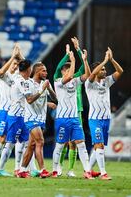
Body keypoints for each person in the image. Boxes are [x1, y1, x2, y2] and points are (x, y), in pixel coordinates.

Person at [51, 45, 93, 179]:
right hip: (62, 118)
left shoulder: (75, 82)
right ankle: (55, 170)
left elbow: (87, 75)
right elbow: (68, 77)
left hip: (74, 118)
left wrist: (84, 60)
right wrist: (71, 58)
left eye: (70, 69)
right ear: (63, 71)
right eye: (67, 69)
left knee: (81, 143)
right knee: (60, 145)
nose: (70, 72)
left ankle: (87, 171)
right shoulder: (58, 82)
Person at [86, 47, 123, 180]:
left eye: (104, 69)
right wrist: (104, 60)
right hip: (94, 119)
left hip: (106, 119)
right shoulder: (89, 84)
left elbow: (120, 71)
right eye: (102, 69)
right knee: (99, 145)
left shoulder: (107, 81)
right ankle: (103, 173)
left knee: (98, 147)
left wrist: (111, 60)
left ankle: (88, 171)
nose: (104, 70)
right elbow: (92, 74)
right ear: (96, 71)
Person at [17, 62, 57, 178]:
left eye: (46, 71)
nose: (46, 72)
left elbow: (55, 98)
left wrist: (49, 88)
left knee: (31, 145)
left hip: (40, 118)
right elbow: (29, 100)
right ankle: (43, 170)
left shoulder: (45, 83)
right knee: (40, 141)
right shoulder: (27, 83)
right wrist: (41, 90)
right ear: (37, 71)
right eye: (43, 71)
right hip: (30, 118)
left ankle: (22, 170)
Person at [55, 37, 86, 177]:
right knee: (64, 143)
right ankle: (59, 166)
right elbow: (57, 68)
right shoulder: (58, 78)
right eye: (65, 69)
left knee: (74, 143)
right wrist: (67, 54)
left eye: (69, 69)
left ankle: (71, 169)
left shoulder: (76, 78)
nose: (67, 71)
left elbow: (84, 68)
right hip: (63, 113)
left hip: (77, 111)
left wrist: (78, 49)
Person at [0, 45, 21, 173]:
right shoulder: (3, 75)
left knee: (16, 139)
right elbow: (1, 72)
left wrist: (19, 56)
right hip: (4, 110)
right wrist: (13, 56)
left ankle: (17, 167)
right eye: (13, 64)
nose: (15, 66)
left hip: (17, 112)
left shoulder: (20, 77)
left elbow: (28, 68)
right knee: (2, 138)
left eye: (17, 65)